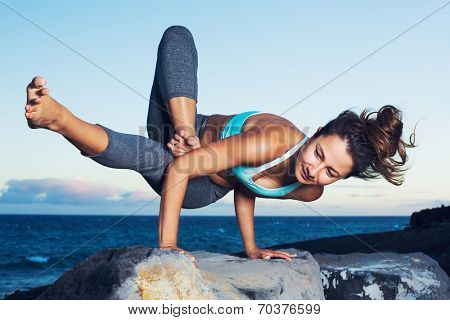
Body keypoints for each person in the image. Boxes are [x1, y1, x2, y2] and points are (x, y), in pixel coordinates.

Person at [23, 26, 416, 266]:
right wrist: (169, 244)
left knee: (150, 157)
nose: (316, 171)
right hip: (179, 122)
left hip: (199, 186)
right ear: (312, 137)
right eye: (318, 155)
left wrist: (252, 248)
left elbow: (247, 186)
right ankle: (184, 132)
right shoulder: (276, 139)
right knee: (178, 35)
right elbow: (205, 165)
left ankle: (60, 120)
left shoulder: (308, 190)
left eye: (332, 172)